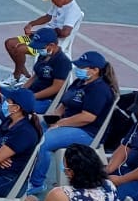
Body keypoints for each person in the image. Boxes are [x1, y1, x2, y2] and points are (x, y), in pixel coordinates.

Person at [32, 50, 119, 187]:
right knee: (32, 131)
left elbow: (87, 117)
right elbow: (63, 105)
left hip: (87, 132)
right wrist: (51, 119)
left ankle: (36, 183)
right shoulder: (79, 82)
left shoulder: (100, 89)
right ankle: (25, 171)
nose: (78, 69)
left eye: (82, 67)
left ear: (95, 70)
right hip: (68, 124)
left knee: (44, 142)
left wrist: (60, 123)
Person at [4, 0, 84, 85]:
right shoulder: (59, 4)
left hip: (46, 45)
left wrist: (47, 33)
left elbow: (65, 33)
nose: (52, 1)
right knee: (10, 43)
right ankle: (25, 76)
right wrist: (31, 24)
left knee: (20, 49)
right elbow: (47, 17)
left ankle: (16, 76)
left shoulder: (73, 11)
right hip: (40, 37)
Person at [21, 27, 72, 114]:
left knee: (17, 109)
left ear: (51, 45)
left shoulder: (62, 61)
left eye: (41, 47)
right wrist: (22, 90)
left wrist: (32, 96)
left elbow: (56, 87)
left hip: (46, 100)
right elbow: (35, 76)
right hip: (33, 92)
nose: (38, 50)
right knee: (5, 100)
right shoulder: (44, 56)